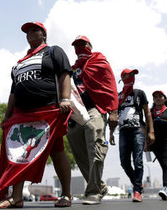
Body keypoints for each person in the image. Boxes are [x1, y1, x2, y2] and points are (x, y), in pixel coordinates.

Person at [0, 22, 73, 208]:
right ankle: (16, 197)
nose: (30, 32)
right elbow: (13, 92)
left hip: (48, 112)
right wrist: (7, 116)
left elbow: (65, 74)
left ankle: (66, 194)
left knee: (57, 151)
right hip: (22, 114)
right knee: (17, 153)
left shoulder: (53, 51)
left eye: (34, 29)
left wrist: (65, 99)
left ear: (43, 34)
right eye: (27, 31)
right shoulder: (19, 63)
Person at [66, 36, 119, 205]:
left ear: (90, 45)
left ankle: (93, 191)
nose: (80, 47)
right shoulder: (72, 69)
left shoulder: (99, 61)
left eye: (83, 44)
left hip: (96, 107)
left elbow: (110, 85)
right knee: (74, 141)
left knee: (94, 138)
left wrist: (114, 111)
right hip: (77, 111)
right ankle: (99, 185)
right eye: (76, 45)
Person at [116, 68, 154, 202]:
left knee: (138, 161)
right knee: (124, 162)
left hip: (138, 130)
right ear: (123, 77)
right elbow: (114, 115)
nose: (132, 77)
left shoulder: (139, 93)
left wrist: (151, 131)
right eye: (129, 75)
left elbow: (148, 113)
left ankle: (137, 191)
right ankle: (137, 184)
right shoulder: (118, 96)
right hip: (123, 132)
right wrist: (110, 134)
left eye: (133, 75)